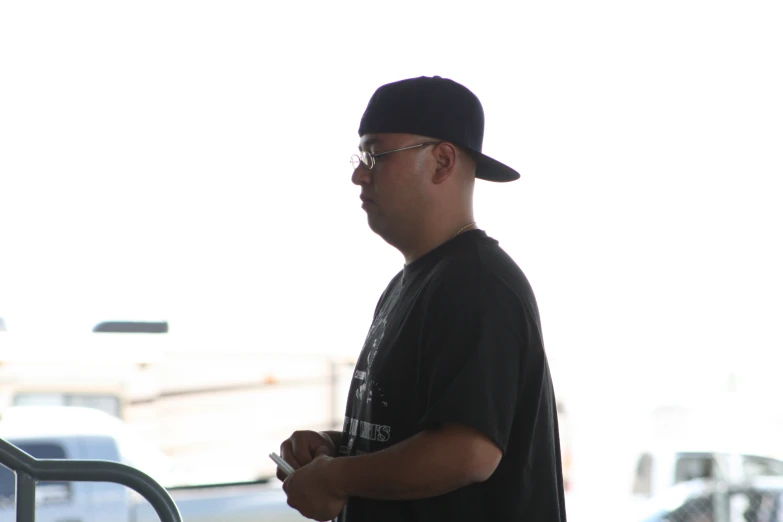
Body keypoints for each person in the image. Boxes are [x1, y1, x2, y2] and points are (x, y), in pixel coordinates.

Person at [277, 76, 567, 522]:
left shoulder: (480, 284)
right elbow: (419, 435)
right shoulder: (415, 284)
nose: (358, 173)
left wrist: (337, 479)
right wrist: (337, 451)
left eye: (374, 154)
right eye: (359, 157)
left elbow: (467, 453)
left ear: (442, 161)